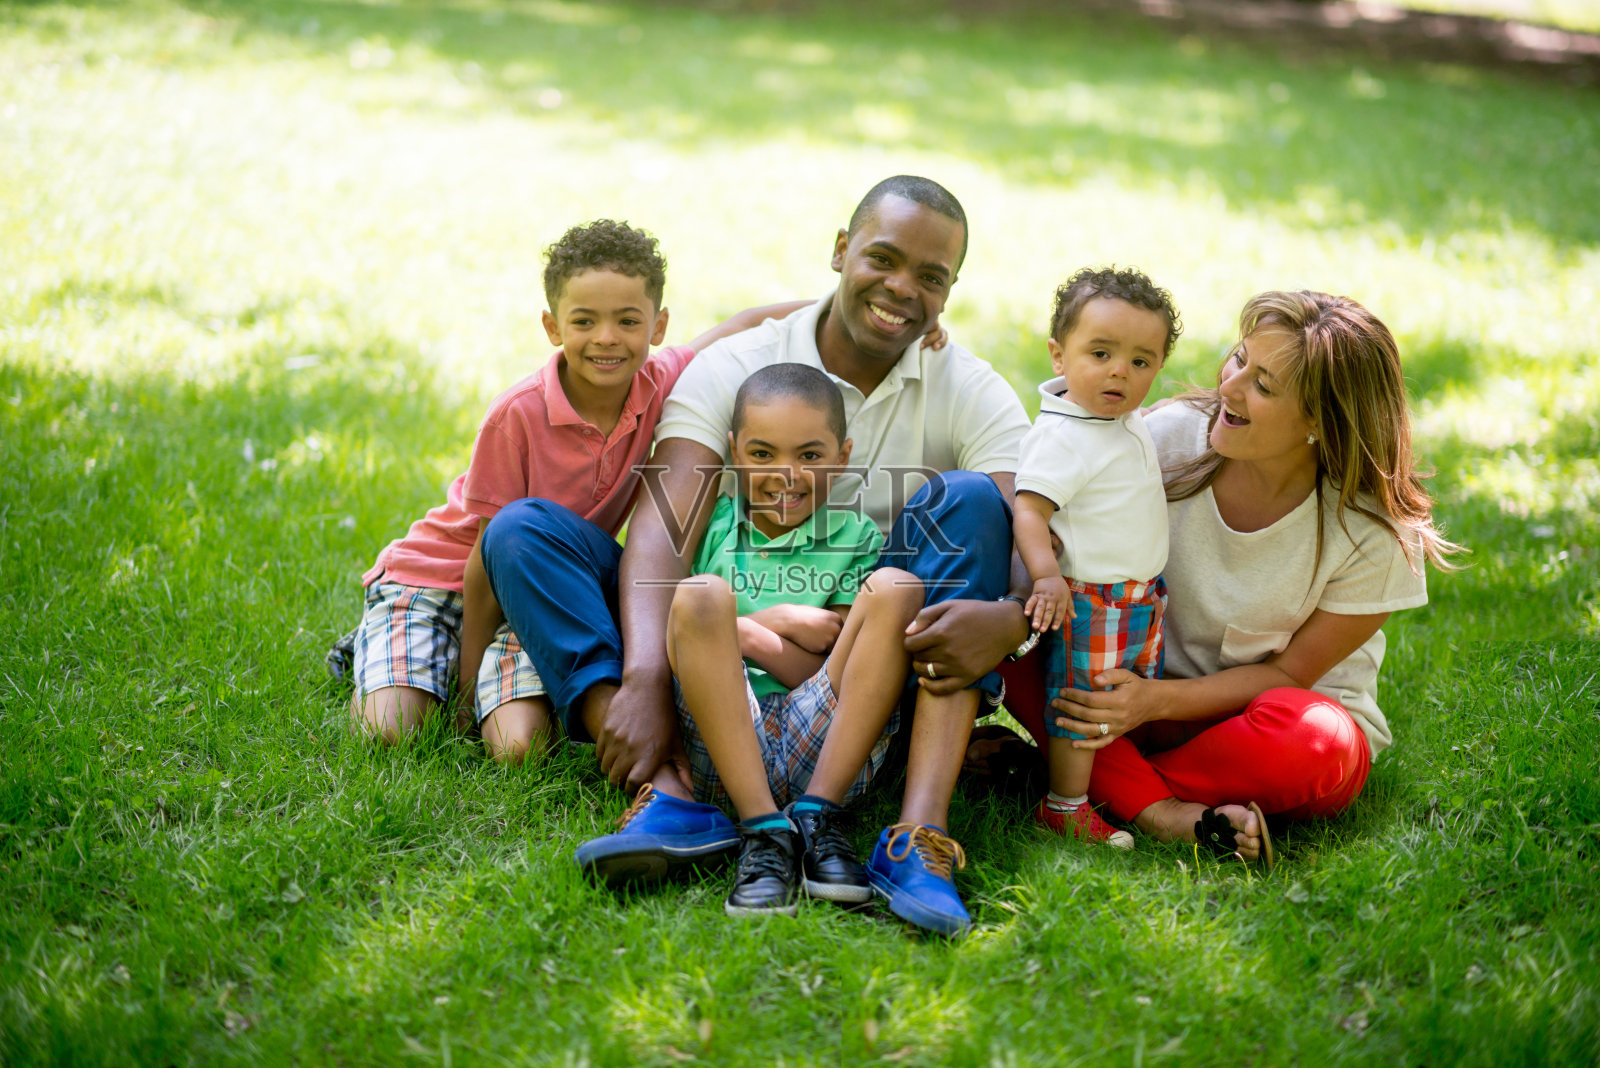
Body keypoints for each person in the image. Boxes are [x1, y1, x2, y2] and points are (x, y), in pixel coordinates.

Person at [482, 176, 1033, 936]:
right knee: (524, 533)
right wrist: (644, 672)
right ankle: (668, 782)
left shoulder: (968, 388)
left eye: (930, 276)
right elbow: (665, 522)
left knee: (971, 501)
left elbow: (1024, 534)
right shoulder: (742, 361)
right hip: (706, 648)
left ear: (950, 289)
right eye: (882, 258)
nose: (902, 288)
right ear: (840, 251)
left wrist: (1011, 619)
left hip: (864, 660)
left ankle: (916, 834)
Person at [1007, 290, 1462, 861]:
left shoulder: (1373, 535)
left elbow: (1291, 674)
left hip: (1255, 725)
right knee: (1018, 636)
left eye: (1263, 385)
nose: (1228, 386)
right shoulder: (1164, 438)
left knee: (1322, 742)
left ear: (1321, 421)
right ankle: (1161, 810)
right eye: (1239, 358)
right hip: (1127, 690)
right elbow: (1048, 491)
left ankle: (1083, 776)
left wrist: (1155, 702)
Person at [336, 219, 807, 762]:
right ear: (552, 325)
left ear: (658, 325)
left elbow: (746, 324)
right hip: (440, 580)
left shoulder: (665, 380)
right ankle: (392, 650)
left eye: (628, 321)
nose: (607, 338)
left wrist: (865, 308)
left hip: (543, 590)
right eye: (584, 320)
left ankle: (440, 669)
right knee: (391, 733)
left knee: (521, 750)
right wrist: (468, 695)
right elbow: (485, 563)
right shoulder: (518, 414)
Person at [579, 364, 925, 917]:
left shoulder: (856, 536)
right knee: (698, 596)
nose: (785, 475)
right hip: (720, 745)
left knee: (897, 588)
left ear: (842, 455)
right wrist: (780, 621)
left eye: (809, 456)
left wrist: (742, 636)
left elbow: (825, 672)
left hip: (825, 743)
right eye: (763, 454)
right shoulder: (712, 525)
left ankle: (819, 816)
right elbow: (687, 635)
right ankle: (764, 831)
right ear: (735, 451)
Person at [1012, 267, 1182, 851]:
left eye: (1141, 361)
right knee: (1083, 707)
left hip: (1138, 599)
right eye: (1101, 353)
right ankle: (1065, 806)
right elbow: (1029, 511)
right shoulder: (1064, 436)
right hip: (1093, 601)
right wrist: (1045, 576)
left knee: (1116, 703)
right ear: (1059, 356)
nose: (1120, 372)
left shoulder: (1117, 417)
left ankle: (1108, 789)